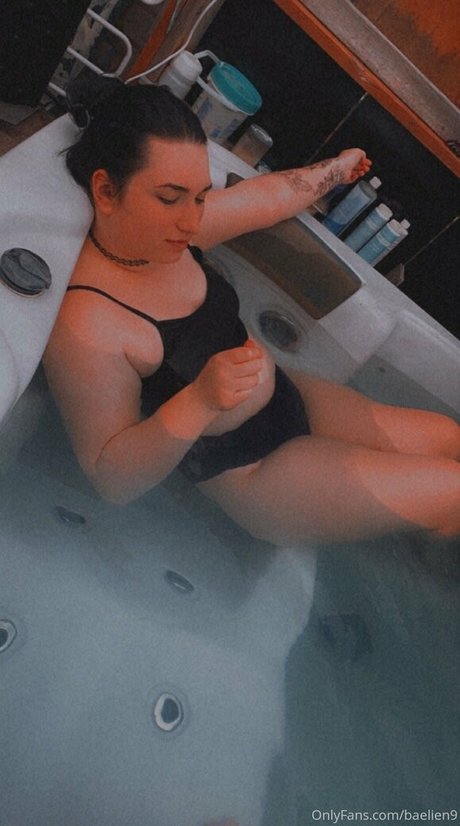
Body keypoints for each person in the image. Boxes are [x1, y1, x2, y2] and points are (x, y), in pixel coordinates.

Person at [44, 78, 460, 545]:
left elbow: (269, 198)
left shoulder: (167, 237)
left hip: (287, 394)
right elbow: (110, 480)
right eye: (170, 198)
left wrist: (337, 169)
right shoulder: (89, 323)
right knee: (455, 496)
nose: (192, 219)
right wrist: (198, 401)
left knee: (449, 438)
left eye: (200, 196)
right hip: (257, 470)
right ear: (105, 191)